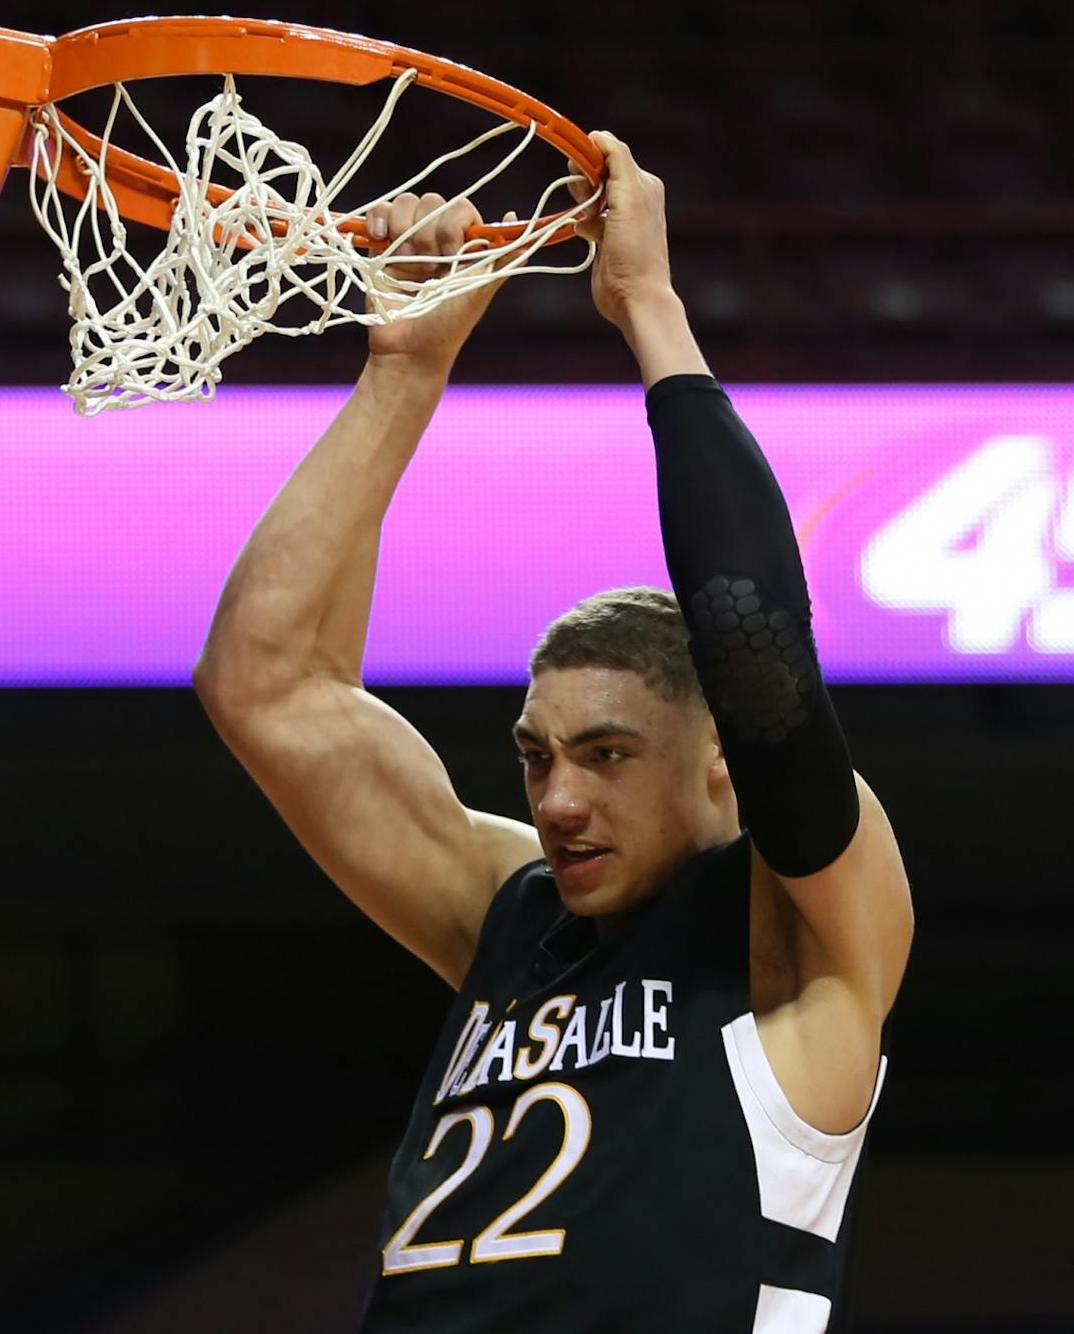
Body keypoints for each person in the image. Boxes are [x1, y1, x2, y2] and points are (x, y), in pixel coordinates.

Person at [192, 132, 913, 1330]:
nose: (558, 801)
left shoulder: (800, 939)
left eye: (608, 754)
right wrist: (404, 371)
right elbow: (264, 684)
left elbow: (750, 637)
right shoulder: (512, 911)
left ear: (720, 754)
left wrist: (647, 307)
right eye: (537, 756)